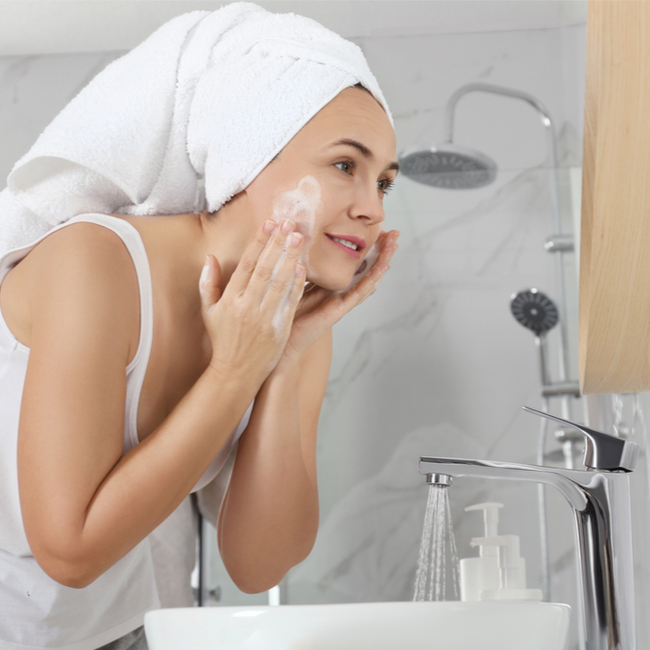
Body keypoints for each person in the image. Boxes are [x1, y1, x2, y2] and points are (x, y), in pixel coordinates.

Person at [0, 3, 399, 649]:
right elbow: (67, 551)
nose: (372, 208)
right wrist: (235, 369)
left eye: (385, 181)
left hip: (123, 633)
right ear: (249, 152)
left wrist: (283, 361)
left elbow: (258, 563)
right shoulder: (96, 262)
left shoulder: (294, 315)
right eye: (345, 166)